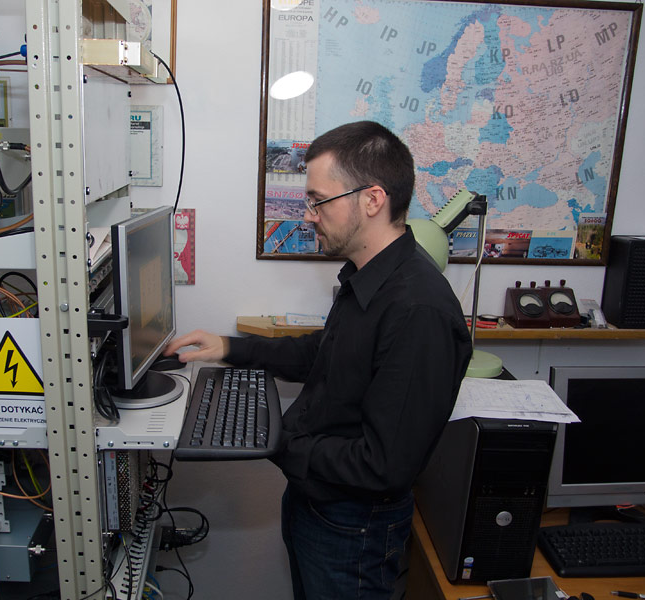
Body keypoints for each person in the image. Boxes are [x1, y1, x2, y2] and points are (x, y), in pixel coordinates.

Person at [164, 121, 472, 599]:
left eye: (318, 201)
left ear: (372, 200)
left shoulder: (418, 311)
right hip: (317, 505)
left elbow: (383, 465)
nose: (309, 216)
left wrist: (272, 439)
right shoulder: (368, 277)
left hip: (354, 529)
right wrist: (229, 348)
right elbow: (321, 353)